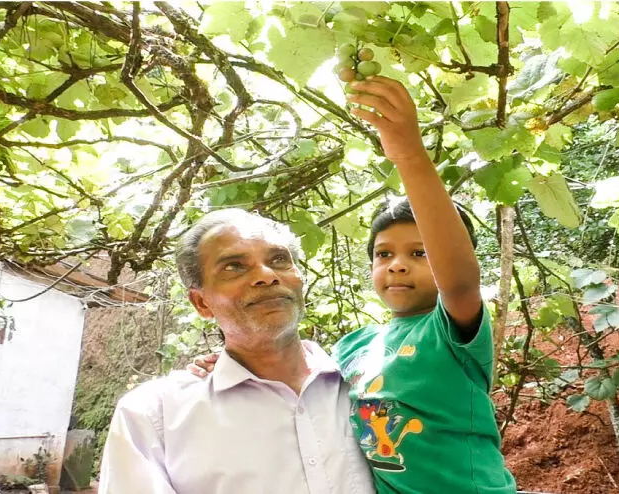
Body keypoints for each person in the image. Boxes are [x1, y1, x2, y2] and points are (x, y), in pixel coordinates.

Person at [191, 76, 516, 493]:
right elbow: (294, 377)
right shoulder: (352, 347)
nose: (398, 266)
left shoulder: (451, 330)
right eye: (384, 254)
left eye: (421, 254)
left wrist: (409, 155)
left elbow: (458, 282)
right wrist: (226, 363)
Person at [99, 207, 375, 493]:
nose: (266, 276)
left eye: (279, 259)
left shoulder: (370, 387)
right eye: (234, 266)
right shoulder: (153, 416)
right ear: (201, 303)